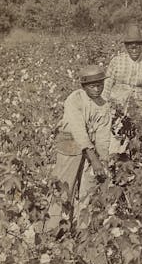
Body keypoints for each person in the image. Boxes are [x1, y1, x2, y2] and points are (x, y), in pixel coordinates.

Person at [45, 65, 111, 234]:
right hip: (70, 143)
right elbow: (78, 131)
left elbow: (103, 135)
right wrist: (94, 159)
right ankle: (52, 229)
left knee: (88, 189)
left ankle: (81, 230)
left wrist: (102, 159)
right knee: (64, 187)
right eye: (92, 85)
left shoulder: (103, 105)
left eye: (99, 85)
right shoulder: (74, 99)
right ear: (83, 86)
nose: (97, 89)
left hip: (92, 147)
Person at [102, 24, 142, 114]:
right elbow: (107, 86)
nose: (134, 51)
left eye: (137, 47)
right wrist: (103, 106)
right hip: (116, 105)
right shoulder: (116, 61)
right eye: (131, 48)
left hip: (138, 108)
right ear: (126, 47)